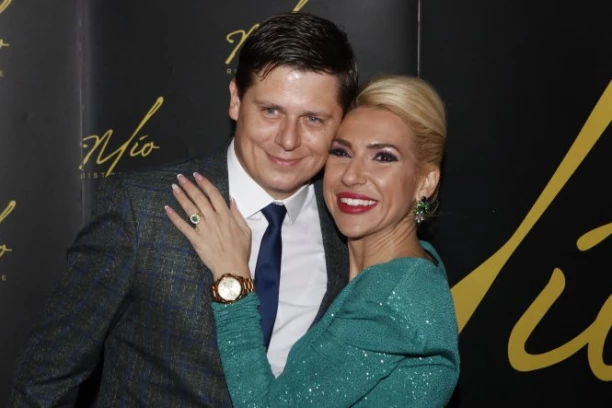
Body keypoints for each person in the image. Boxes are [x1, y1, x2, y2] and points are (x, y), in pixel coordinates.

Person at [9, 12, 357, 407]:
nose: (288, 139)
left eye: (313, 119)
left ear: (343, 122)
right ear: (235, 100)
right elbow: (44, 379)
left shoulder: (349, 230)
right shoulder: (143, 210)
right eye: (271, 111)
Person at [167, 74, 460, 407]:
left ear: (425, 182)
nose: (352, 175)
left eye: (383, 157)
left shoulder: (391, 297)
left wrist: (231, 277)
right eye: (341, 152)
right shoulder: (412, 266)